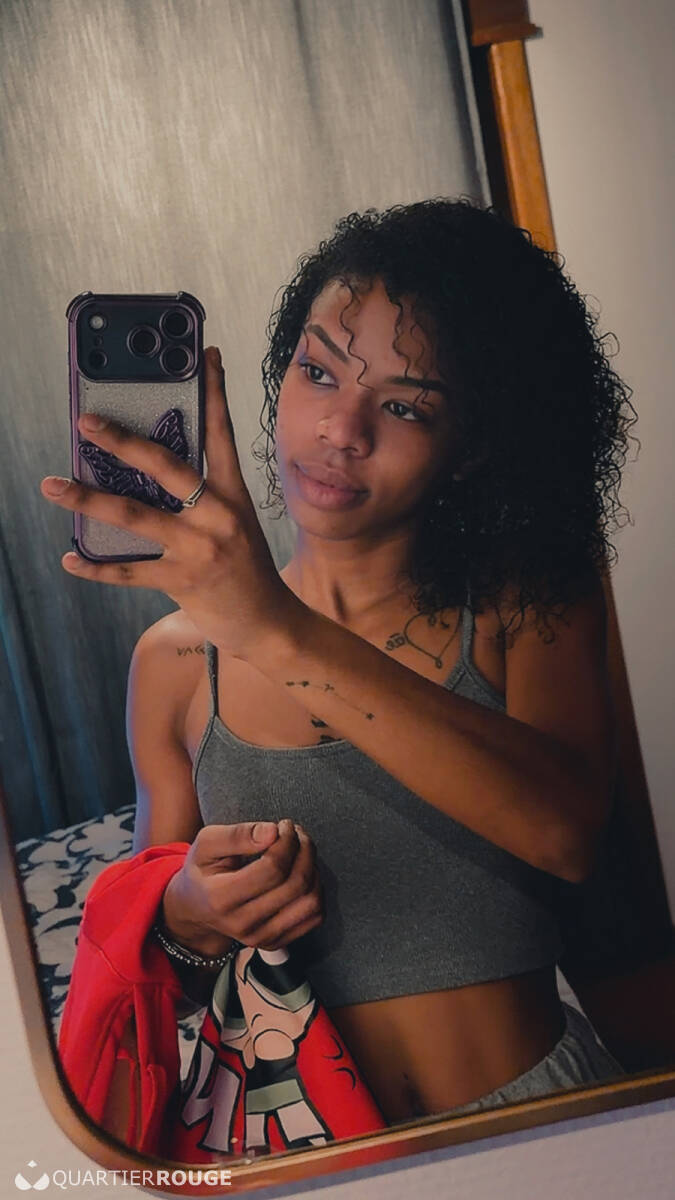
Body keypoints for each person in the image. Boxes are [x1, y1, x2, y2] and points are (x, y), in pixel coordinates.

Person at [42, 198, 633, 1125]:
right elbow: (178, 982)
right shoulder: (175, 661)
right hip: (301, 1151)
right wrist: (192, 911)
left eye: (404, 405)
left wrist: (277, 628)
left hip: (534, 1121)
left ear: (472, 447)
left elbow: (566, 833)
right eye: (317, 372)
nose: (341, 430)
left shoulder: (521, 601)